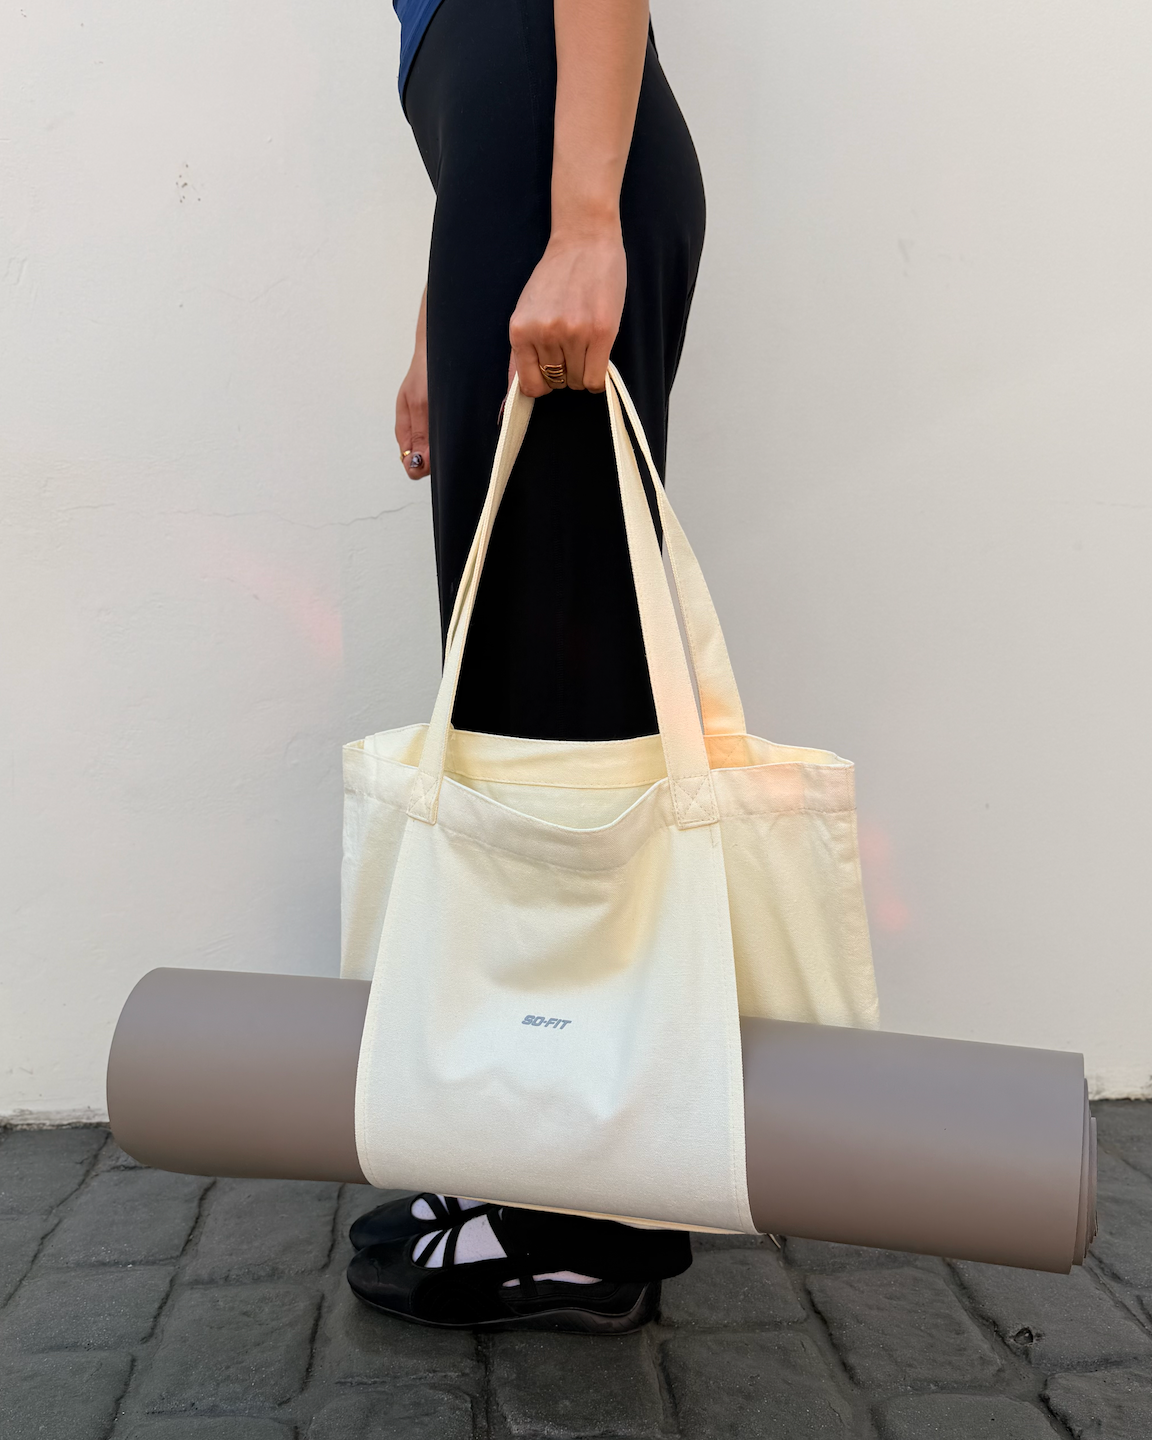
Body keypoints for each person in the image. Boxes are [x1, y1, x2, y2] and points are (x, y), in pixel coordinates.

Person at [346, 0, 706, 1333]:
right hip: (510, 195)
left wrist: (583, 226)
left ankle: (586, 1225)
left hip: (559, 184)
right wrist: (438, 314)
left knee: (560, 700)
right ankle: (530, 1149)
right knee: (515, 688)